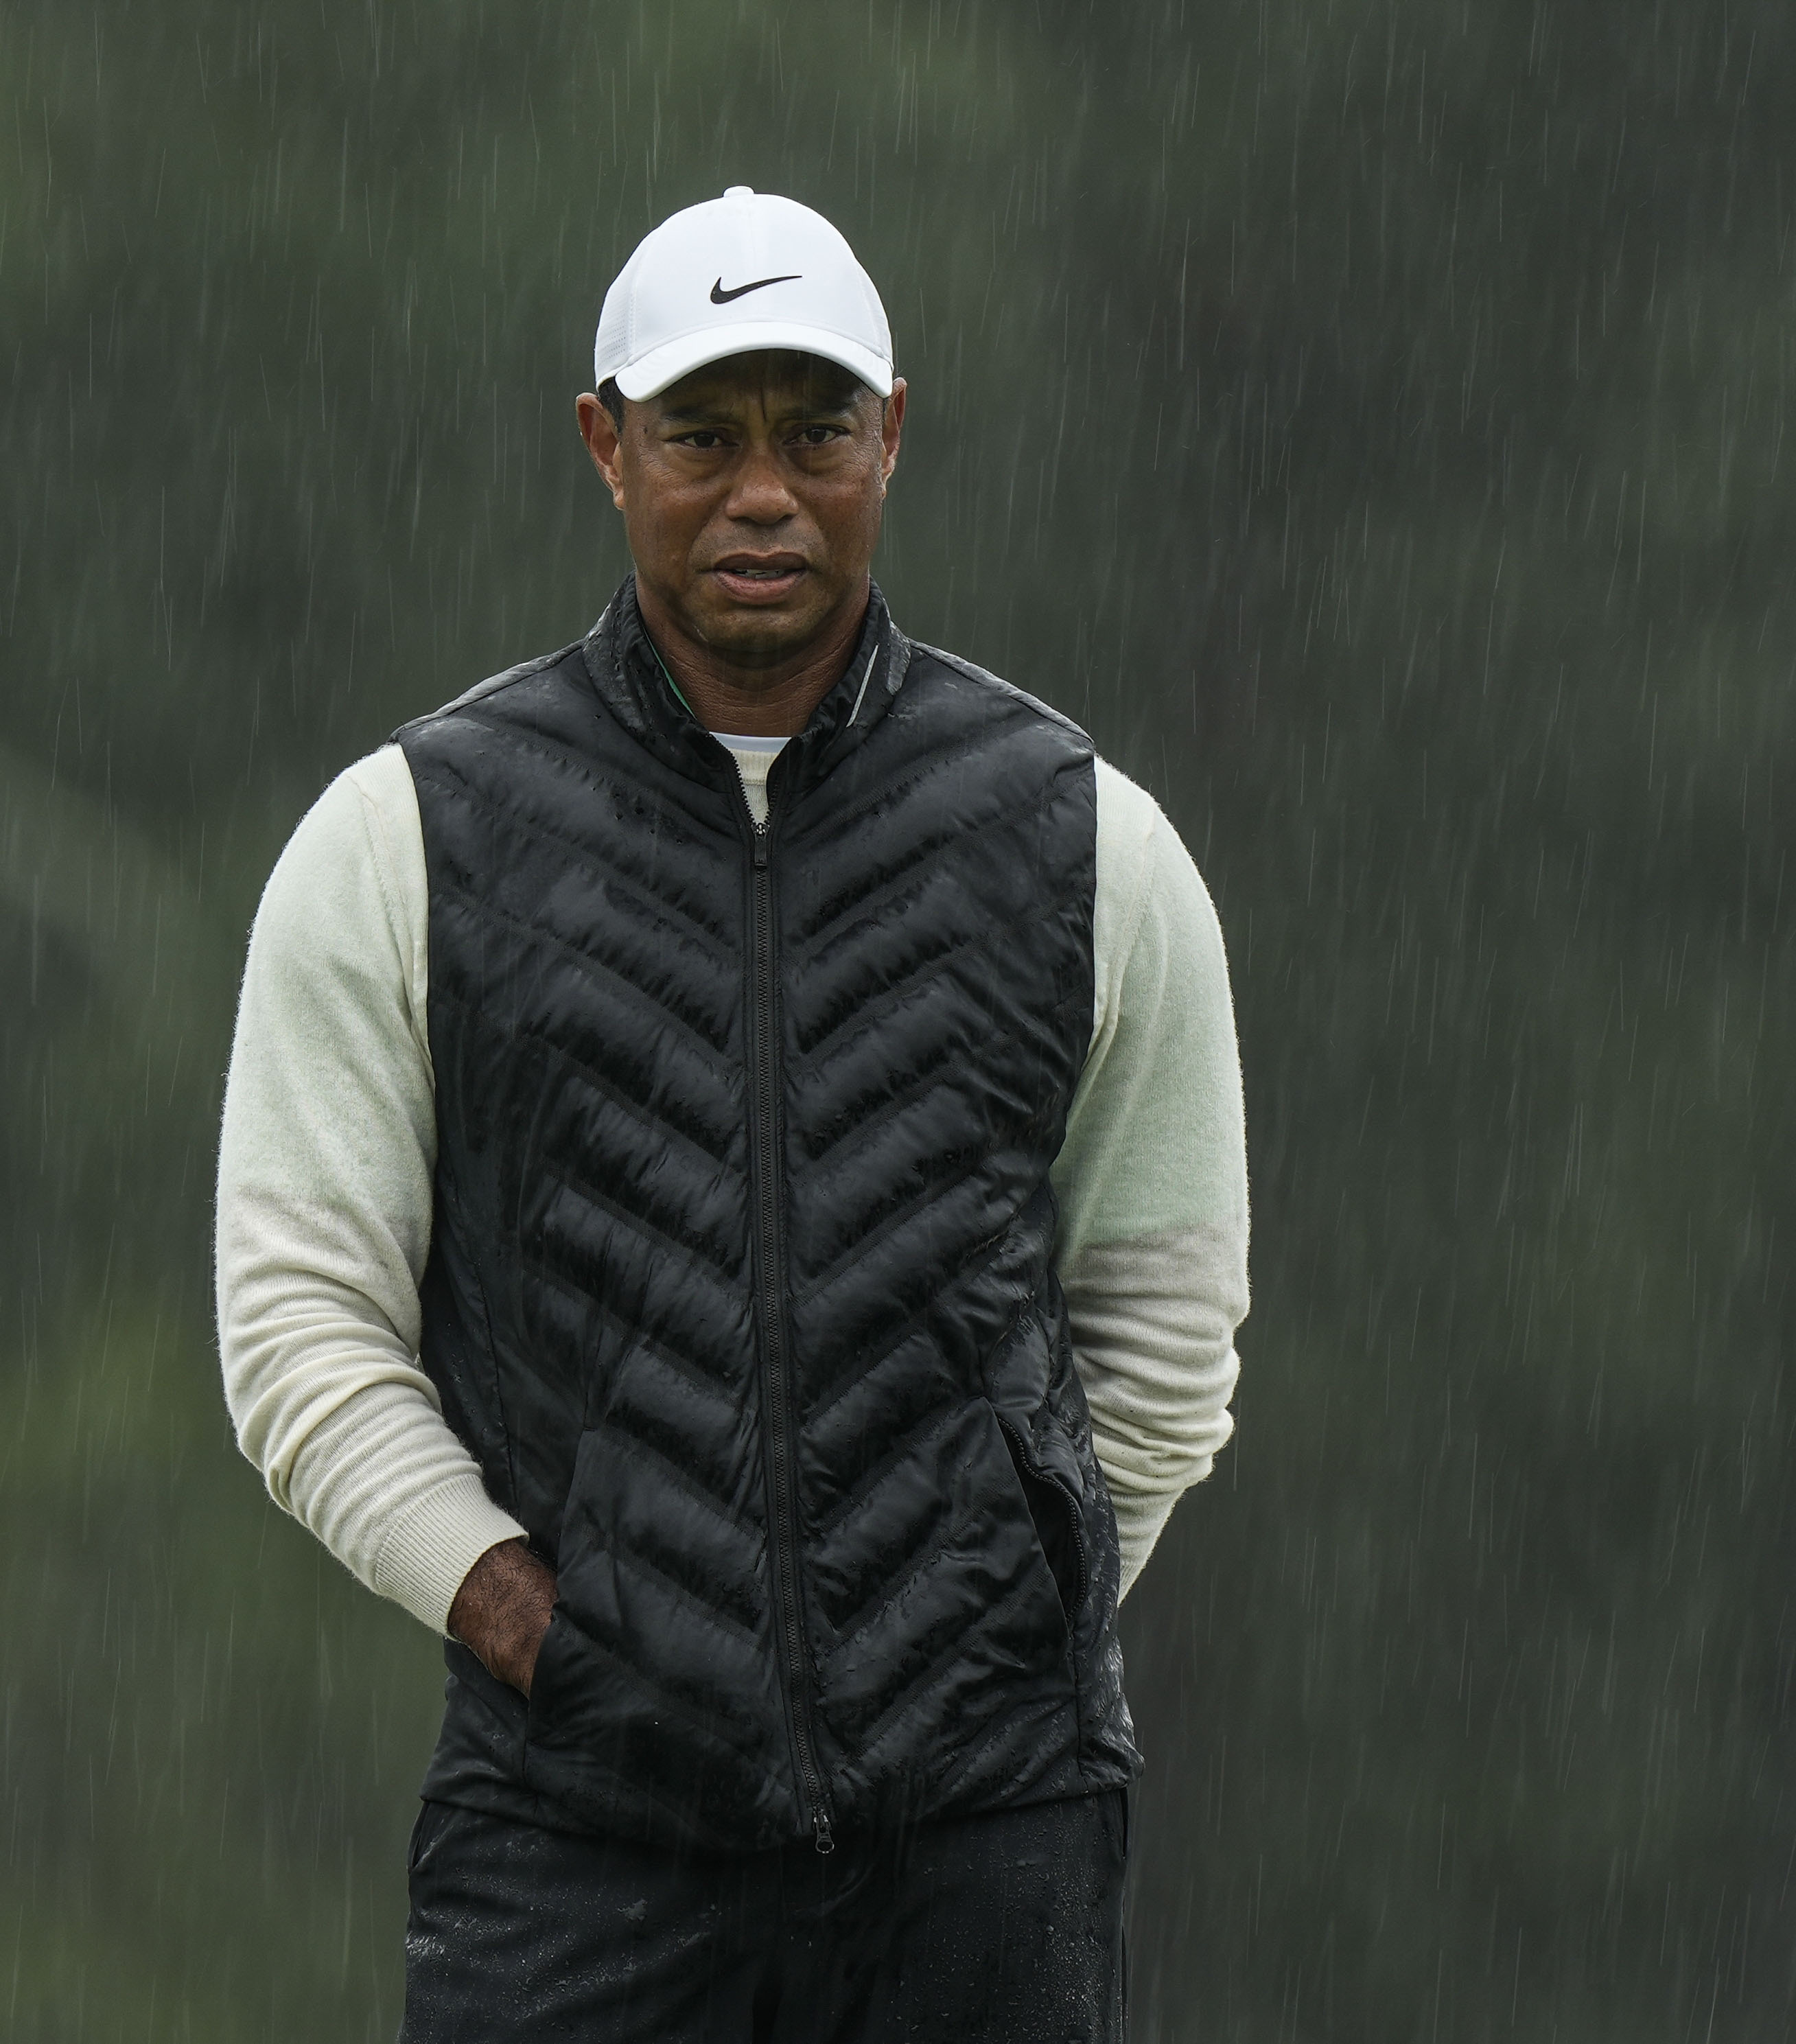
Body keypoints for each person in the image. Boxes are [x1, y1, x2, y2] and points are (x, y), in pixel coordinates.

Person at [215, 187, 1248, 2043]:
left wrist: (1001, 1620)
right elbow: (296, 1323)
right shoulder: (403, 842)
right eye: (703, 433)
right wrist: (537, 1628)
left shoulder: (1089, 839)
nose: (761, 489)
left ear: (892, 437)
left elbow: (1164, 1328)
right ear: (606, 444)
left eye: (812, 430)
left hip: (984, 1852)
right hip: (579, 1842)